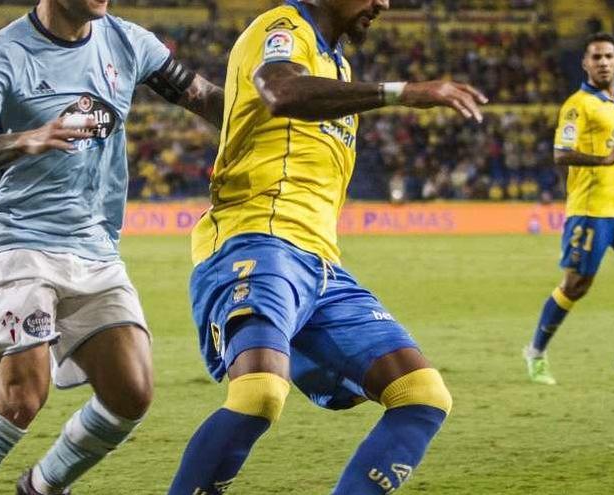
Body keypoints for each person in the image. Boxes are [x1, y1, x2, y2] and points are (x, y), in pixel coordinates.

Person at [169, 0, 487, 493]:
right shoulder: (284, 27)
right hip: (257, 237)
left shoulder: (338, 64)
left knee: (422, 394)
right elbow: (279, 91)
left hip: (320, 265)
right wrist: (401, 93)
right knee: (258, 395)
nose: (382, 3)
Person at [0, 0, 224, 493]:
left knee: (131, 393)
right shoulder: (1, 53)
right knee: (21, 396)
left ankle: (42, 486)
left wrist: (277, 107)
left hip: (94, 246)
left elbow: (206, 98)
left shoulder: (129, 41)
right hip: (17, 241)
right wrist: (26, 139)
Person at [522, 32, 614, 386]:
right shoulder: (577, 105)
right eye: (596, 57)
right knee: (576, 285)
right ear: (585, 64)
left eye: (608, 56)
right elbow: (561, 153)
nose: (603, 62)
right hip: (591, 210)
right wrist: (602, 160)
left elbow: (612, 141)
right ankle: (536, 352)